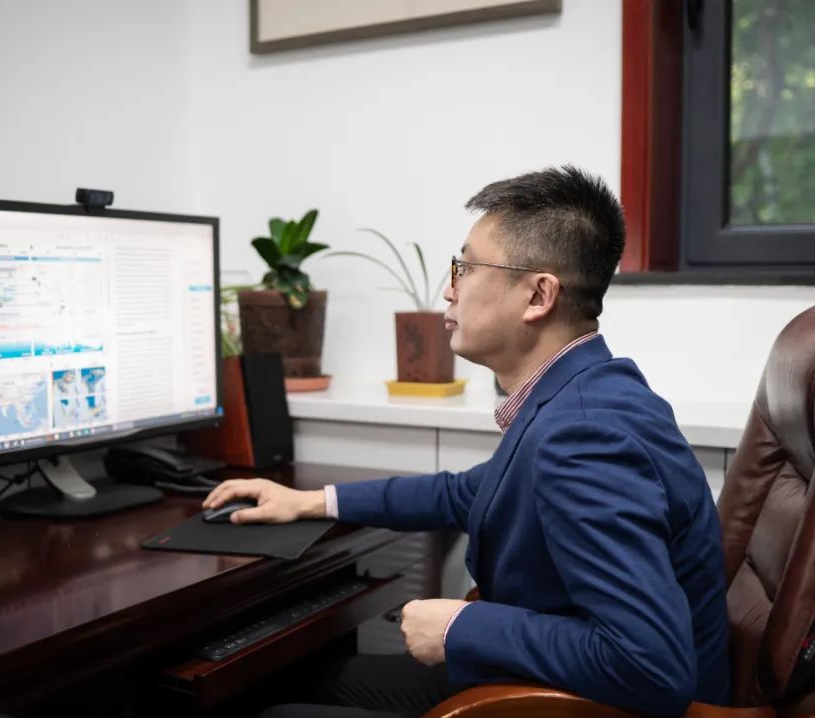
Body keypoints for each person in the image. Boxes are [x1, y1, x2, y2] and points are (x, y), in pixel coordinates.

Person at [204, 166, 731, 718]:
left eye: (467, 267)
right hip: (555, 680)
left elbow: (651, 666)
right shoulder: (582, 392)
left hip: (592, 705)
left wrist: (463, 626)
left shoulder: (583, 435)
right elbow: (466, 493)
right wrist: (311, 502)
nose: (449, 288)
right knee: (319, 680)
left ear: (538, 295)